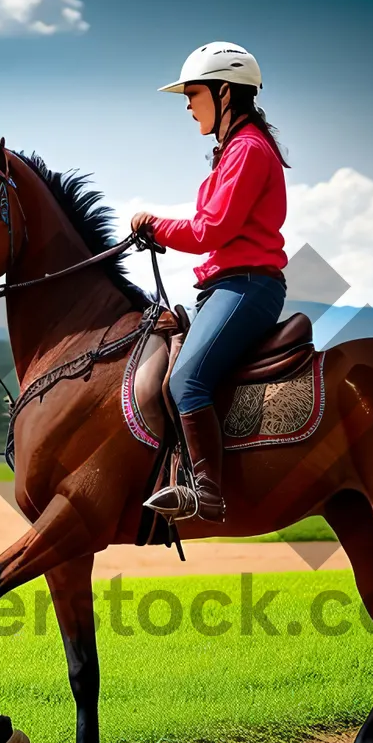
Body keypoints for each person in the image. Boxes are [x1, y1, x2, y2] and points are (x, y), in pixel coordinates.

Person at [130, 42, 289, 522]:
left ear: (225, 93)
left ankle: (207, 492)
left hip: (246, 286)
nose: (186, 103)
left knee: (186, 379)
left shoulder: (247, 150)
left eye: (193, 93)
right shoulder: (233, 151)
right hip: (227, 286)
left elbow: (210, 231)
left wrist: (155, 226)